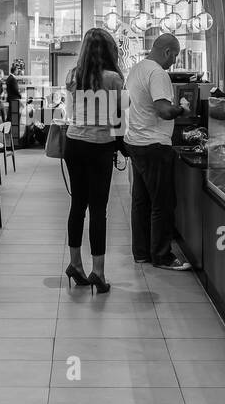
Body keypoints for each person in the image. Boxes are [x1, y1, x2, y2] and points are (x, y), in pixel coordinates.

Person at [62, 29, 124, 294]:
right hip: (100, 146)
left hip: (74, 143)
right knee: (99, 209)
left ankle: (75, 264)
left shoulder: (72, 76)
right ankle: (98, 271)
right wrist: (122, 146)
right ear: (109, 50)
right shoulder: (113, 78)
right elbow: (121, 116)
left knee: (78, 205)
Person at [124, 33, 192, 271]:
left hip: (136, 141)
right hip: (154, 144)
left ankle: (141, 252)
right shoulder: (158, 73)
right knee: (162, 203)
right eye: (174, 55)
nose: (174, 61)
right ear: (167, 52)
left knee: (141, 201)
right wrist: (181, 109)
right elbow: (163, 110)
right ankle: (162, 256)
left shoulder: (136, 69)